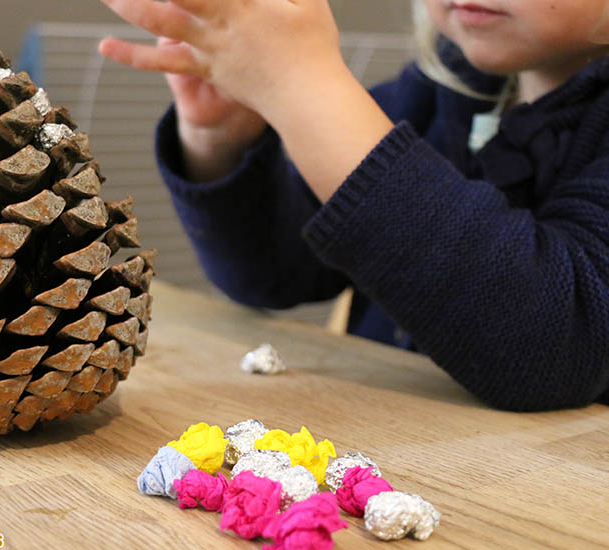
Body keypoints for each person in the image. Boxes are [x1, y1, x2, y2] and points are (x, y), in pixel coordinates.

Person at [97, 0, 609, 411]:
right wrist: (221, 137)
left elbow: (556, 345)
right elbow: (272, 275)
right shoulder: (437, 91)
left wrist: (303, 84)